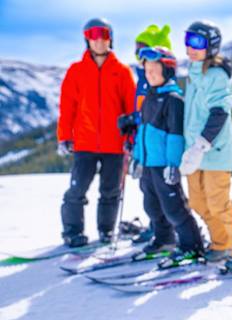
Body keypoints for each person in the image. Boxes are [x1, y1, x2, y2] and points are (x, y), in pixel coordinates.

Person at [180, 21, 232, 271]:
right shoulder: (193, 74)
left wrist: (201, 145)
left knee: (219, 204)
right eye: (188, 40)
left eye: (197, 42)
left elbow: (219, 112)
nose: (190, 48)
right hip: (193, 152)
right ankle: (221, 243)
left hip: (213, 151)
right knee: (198, 202)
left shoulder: (215, 74)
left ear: (211, 46)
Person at [57, 18, 136, 247]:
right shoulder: (76, 71)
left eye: (103, 35)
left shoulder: (121, 72)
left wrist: (130, 137)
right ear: (87, 40)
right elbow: (67, 107)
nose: (99, 40)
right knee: (76, 190)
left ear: (110, 38)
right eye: (93, 35)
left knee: (110, 192)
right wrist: (64, 136)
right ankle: (72, 232)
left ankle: (105, 231)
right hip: (84, 143)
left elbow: (130, 108)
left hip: (115, 144)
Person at [131, 46, 204, 258]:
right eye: (146, 68)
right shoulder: (148, 98)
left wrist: (173, 165)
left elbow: (175, 137)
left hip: (164, 166)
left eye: (155, 67)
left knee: (174, 207)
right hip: (148, 165)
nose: (149, 72)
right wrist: (137, 159)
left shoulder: (173, 100)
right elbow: (142, 132)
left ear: (167, 69)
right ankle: (164, 239)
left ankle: (192, 245)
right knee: (152, 206)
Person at [118, 24, 173, 244]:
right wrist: (132, 123)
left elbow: (157, 113)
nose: (138, 54)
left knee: (160, 190)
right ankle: (156, 227)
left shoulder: (159, 77)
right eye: (137, 49)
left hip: (157, 145)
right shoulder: (143, 77)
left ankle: (164, 229)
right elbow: (142, 109)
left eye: (143, 49)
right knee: (147, 188)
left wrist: (136, 119)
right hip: (143, 142)